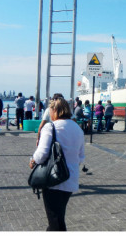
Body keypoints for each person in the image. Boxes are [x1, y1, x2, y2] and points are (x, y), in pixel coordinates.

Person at [29, 98, 85, 231]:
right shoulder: (77, 128)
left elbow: (42, 154)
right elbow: (81, 156)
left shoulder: (51, 127)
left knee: (55, 221)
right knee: (58, 217)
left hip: (53, 179)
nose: (50, 114)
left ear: (55, 111)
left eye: (50, 111)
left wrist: (32, 161)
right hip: (70, 178)